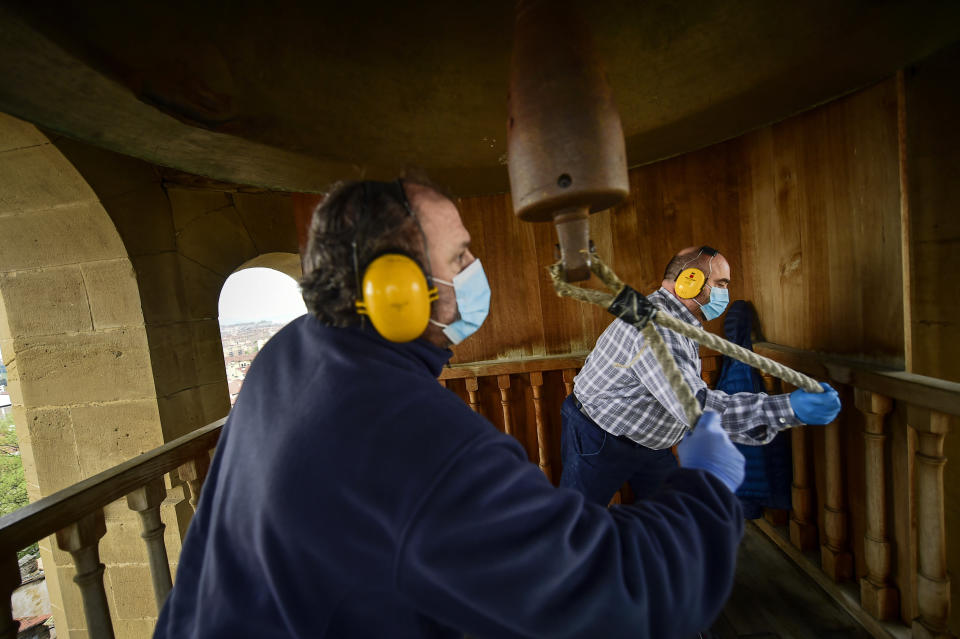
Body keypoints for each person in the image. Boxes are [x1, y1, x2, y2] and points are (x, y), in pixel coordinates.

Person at [155, 183, 749, 639]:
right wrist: (709, 487)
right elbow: (619, 591)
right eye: (461, 256)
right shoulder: (416, 435)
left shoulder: (291, 352)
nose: (475, 271)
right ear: (397, 288)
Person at [559, 245, 841, 507]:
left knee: (671, 516)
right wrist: (789, 408)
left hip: (649, 439)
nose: (725, 294)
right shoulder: (658, 328)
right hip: (599, 434)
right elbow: (696, 409)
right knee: (575, 523)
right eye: (721, 284)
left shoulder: (676, 318)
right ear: (689, 281)